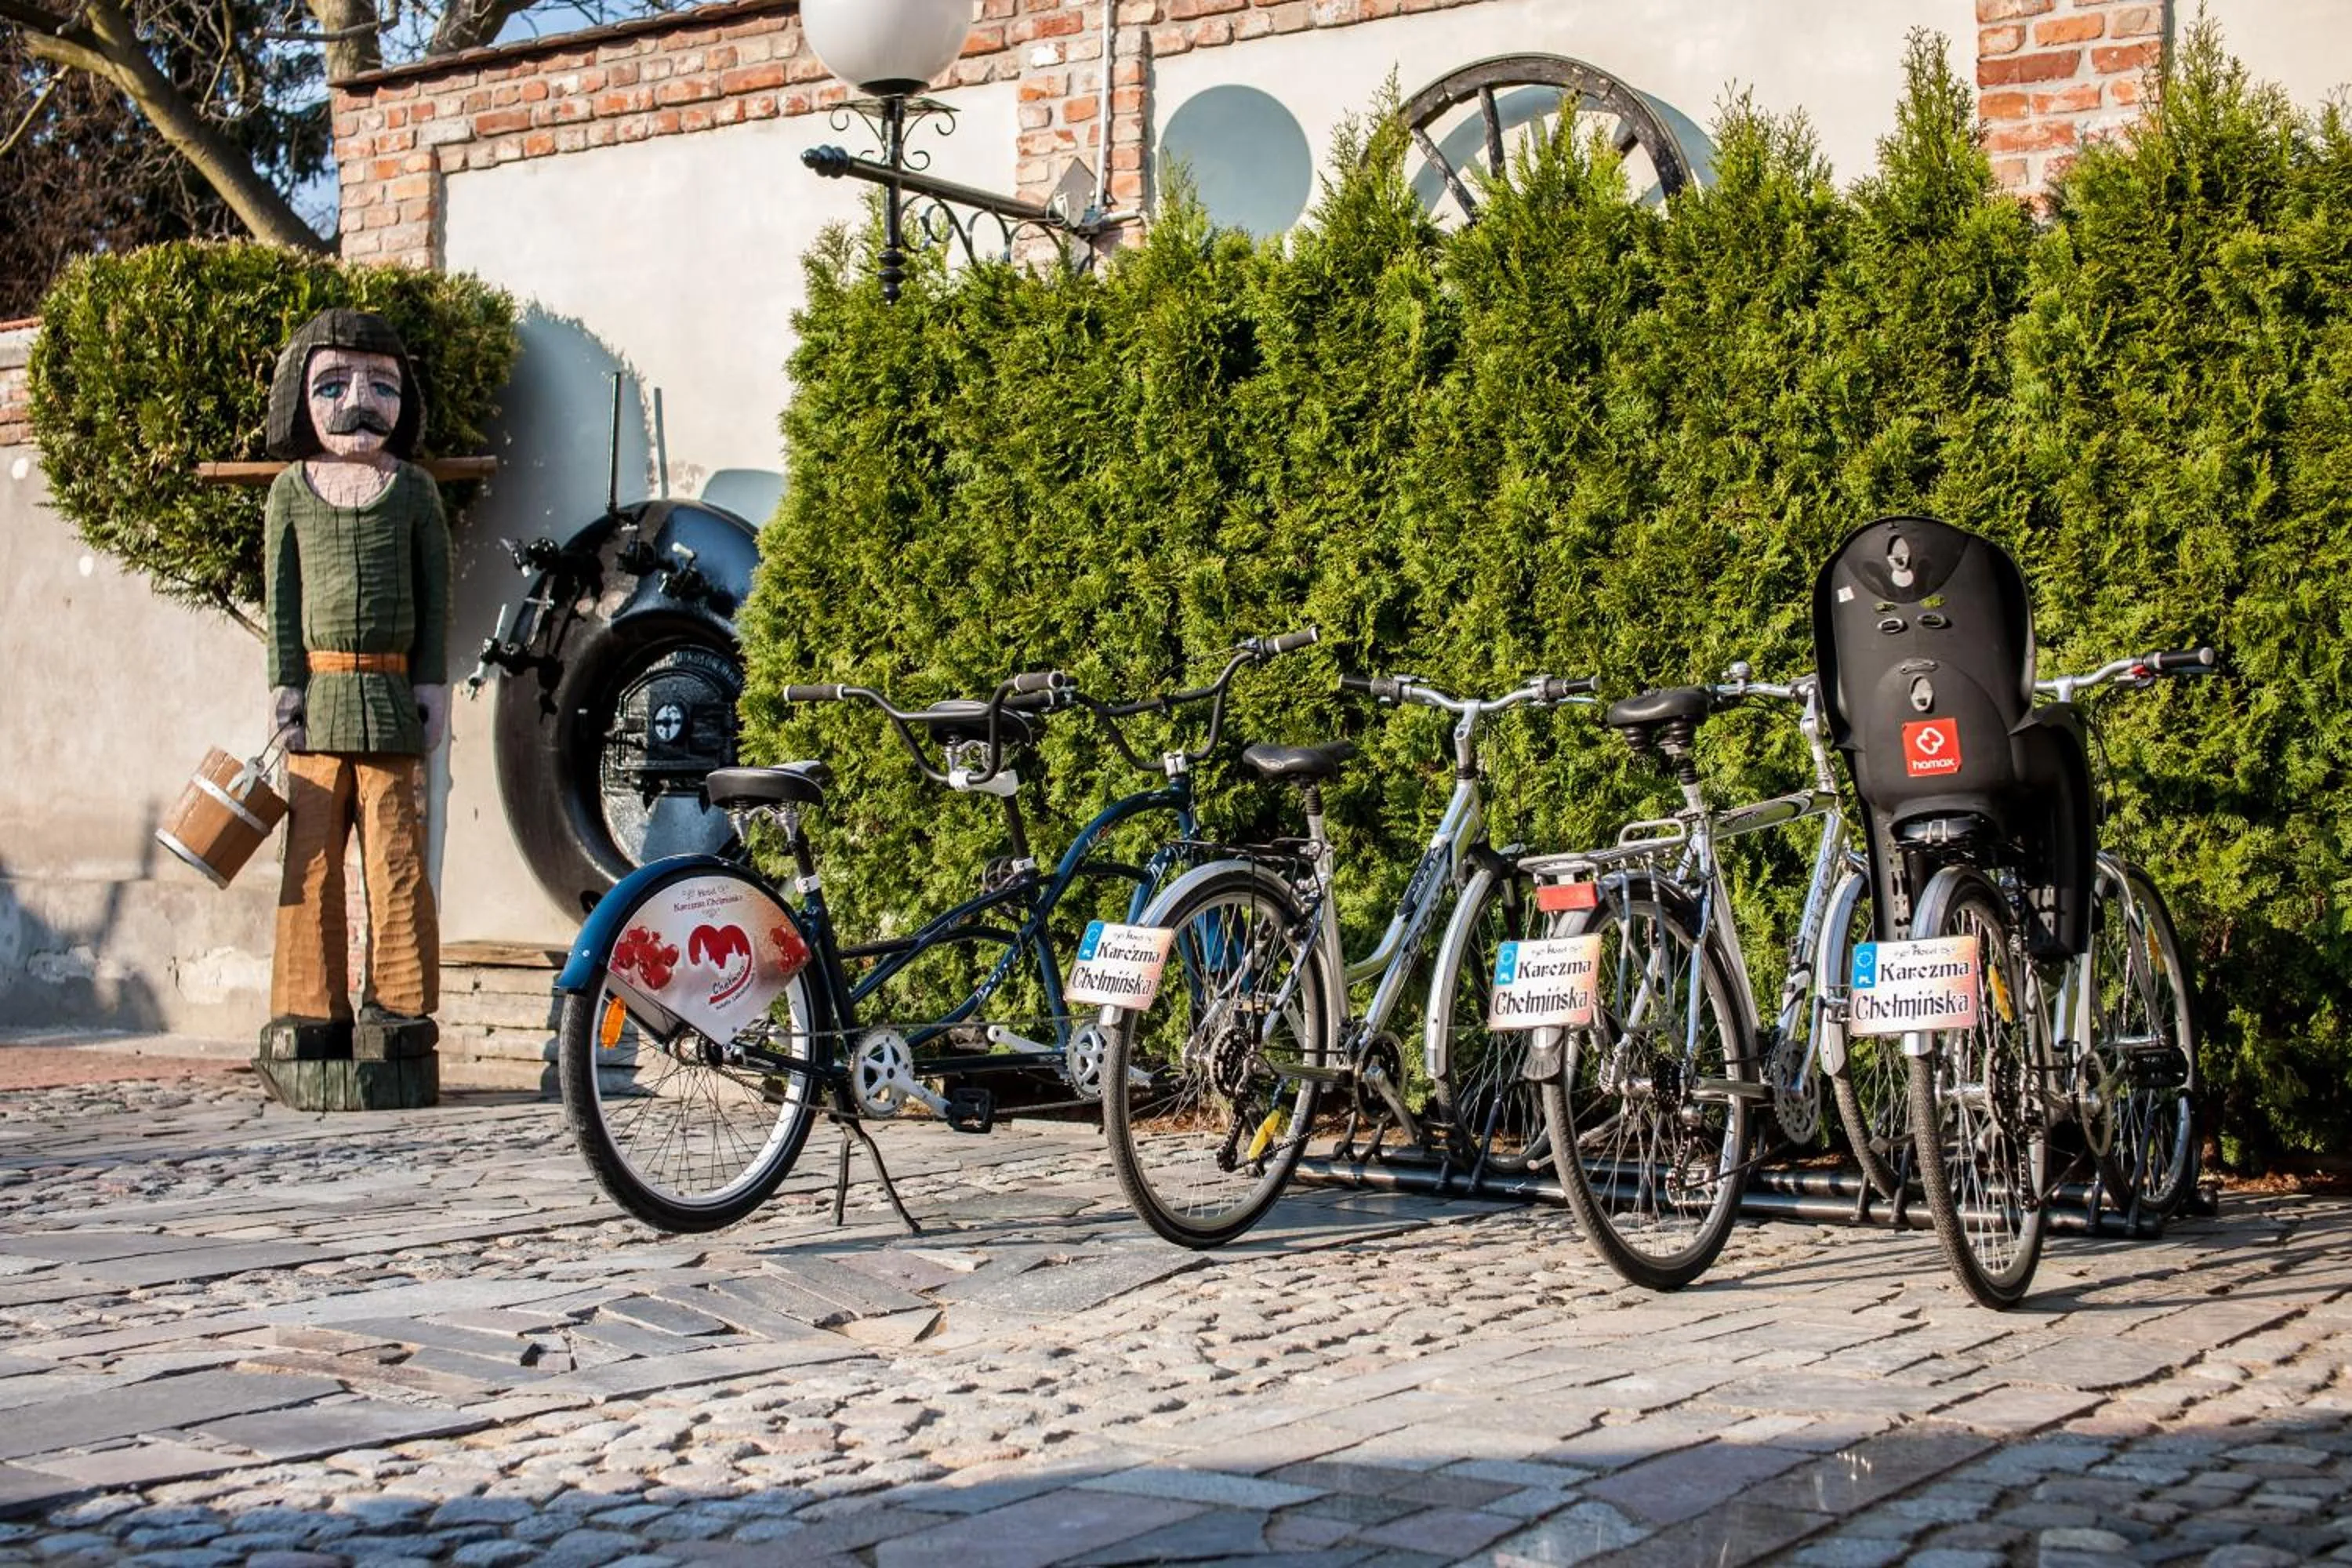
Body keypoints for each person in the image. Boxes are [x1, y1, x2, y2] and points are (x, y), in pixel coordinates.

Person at [261, 308, 450, 1047]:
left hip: (392, 698)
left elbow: (436, 601)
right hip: (317, 700)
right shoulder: (290, 492)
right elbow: (282, 601)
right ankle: (309, 1006)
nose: (358, 402)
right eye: (333, 383)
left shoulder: (414, 492)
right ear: (298, 399)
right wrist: (284, 686)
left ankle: (400, 1006)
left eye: (381, 385)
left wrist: (432, 688)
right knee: (310, 865)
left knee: (397, 858)